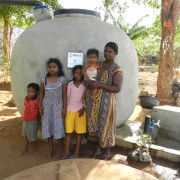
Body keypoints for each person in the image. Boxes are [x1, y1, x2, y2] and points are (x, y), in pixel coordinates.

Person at [85, 42, 123, 160]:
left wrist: (99, 85)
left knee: (105, 125)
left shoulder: (117, 69)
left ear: (115, 53)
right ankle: (96, 149)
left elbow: (117, 88)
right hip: (93, 101)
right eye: (106, 51)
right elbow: (91, 77)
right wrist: (90, 83)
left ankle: (106, 152)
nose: (107, 53)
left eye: (110, 51)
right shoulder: (98, 64)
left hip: (106, 103)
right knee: (93, 124)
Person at [39, 58, 67, 159]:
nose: (51, 69)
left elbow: (64, 95)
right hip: (46, 107)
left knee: (58, 126)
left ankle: (60, 147)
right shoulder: (44, 79)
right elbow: (41, 92)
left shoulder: (63, 80)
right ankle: (50, 147)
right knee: (48, 127)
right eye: (50, 67)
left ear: (58, 68)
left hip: (58, 107)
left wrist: (64, 108)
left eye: (54, 67)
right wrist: (40, 106)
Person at [64, 65, 86, 159]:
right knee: (68, 133)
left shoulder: (85, 85)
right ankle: (66, 152)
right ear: (73, 74)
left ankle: (76, 152)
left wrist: (83, 108)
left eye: (81, 73)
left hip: (80, 111)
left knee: (79, 133)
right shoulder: (70, 84)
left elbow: (86, 98)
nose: (78, 75)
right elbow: (67, 97)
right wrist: (65, 108)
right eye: (76, 73)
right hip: (70, 110)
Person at [21, 83, 40, 155]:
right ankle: (25, 148)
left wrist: (40, 121)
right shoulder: (26, 99)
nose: (29, 93)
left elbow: (39, 112)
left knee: (32, 136)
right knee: (25, 135)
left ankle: (35, 149)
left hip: (33, 121)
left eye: (32, 92)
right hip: (25, 120)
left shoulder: (37, 102)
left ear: (36, 93)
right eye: (28, 91)